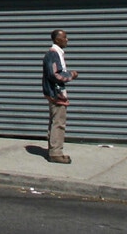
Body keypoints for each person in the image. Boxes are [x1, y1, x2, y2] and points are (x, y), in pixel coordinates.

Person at [42, 28, 78, 164]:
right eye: (65, 37)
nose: (67, 40)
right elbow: (55, 74)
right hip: (56, 94)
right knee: (59, 123)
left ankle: (53, 149)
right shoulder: (53, 54)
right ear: (57, 39)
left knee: (55, 121)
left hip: (54, 92)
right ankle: (56, 153)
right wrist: (71, 75)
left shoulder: (55, 54)